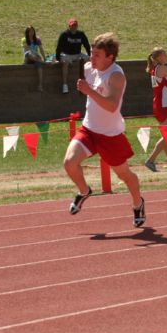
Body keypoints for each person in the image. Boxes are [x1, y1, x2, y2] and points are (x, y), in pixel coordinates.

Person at [63, 32, 145, 227]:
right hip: (89, 129)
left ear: (110, 57)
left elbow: (112, 106)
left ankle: (138, 203)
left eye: (97, 55)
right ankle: (84, 191)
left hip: (110, 135)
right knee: (69, 163)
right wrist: (87, 89)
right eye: (91, 53)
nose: (92, 58)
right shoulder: (88, 68)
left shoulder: (116, 76)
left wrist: (89, 91)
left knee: (125, 175)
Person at [55, 18, 90, 94]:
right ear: (69, 26)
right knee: (65, 62)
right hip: (66, 54)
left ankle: (88, 82)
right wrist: (58, 58)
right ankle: (65, 85)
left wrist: (90, 55)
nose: (74, 27)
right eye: (72, 26)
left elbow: (87, 45)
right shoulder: (64, 35)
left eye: (75, 26)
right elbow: (59, 47)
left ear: (77, 26)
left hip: (77, 54)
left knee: (89, 59)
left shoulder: (81, 34)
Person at [22, 25, 47, 92]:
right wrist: (36, 57)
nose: (31, 33)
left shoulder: (37, 39)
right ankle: (41, 61)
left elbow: (41, 49)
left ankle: (40, 85)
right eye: (30, 32)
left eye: (32, 31)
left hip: (36, 57)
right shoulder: (24, 40)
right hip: (28, 57)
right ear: (27, 33)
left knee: (39, 66)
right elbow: (27, 49)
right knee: (29, 54)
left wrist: (44, 58)